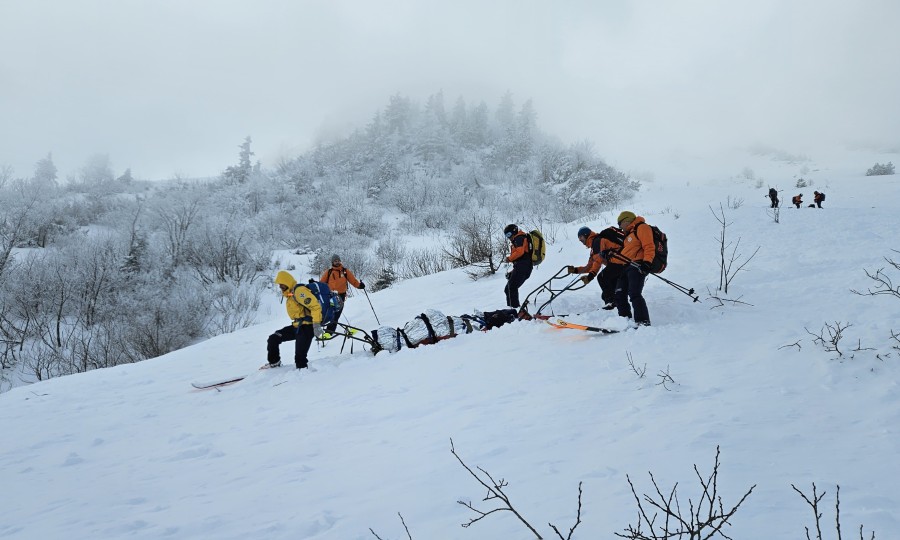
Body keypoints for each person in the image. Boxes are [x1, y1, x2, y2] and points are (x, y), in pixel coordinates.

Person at [265, 270, 327, 370]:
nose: (280, 286)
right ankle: (274, 363)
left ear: (287, 282)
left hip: (307, 327)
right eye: (279, 284)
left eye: (281, 284)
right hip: (297, 326)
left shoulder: (299, 291)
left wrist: (316, 325)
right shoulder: (290, 294)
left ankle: (304, 375)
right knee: (273, 338)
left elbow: (315, 306)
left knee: (300, 359)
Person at [566, 225, 625, 310]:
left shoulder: (597, 242)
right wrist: (575, 270)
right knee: (605, 294)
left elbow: (598, 260)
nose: (580, 240)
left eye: (581, 237)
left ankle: (611, 303)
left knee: (602, 278)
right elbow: (589, 266)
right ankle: (616, 306)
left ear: (586, 235)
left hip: (621, 262)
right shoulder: (594, 248)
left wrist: (590, 276)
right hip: (616, 265)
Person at [614, 211, 655, 327]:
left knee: (634, 293)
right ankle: (624, 320)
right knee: (619, 293)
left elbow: (649, 246)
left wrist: (647, 263)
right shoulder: (629, 235)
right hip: (626, 267)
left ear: (626, 221)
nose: (620, 227)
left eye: (620, 224)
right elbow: (625, 254)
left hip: (638, 265)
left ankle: (643, 321)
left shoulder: (641, 227)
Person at [320, 254, 364, 333]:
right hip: (331, 295)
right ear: (332, 262)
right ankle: (326, 330)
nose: (337, 262)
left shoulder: (345, 271)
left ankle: (329, 332)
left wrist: (359, 285)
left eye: (338, 261)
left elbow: (352, 280)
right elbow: (321, 283)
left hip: (341, 295)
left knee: (336, 314)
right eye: (335, 261)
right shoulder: (329, 272)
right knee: (330, 313)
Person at [503, 224, 533, 308]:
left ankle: (514, 309)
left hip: (523, 266)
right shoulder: (518, 239)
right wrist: (513, 272)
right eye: (506, 235)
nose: (508, 237)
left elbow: (520, 252)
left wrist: (509, 258)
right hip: (522, 266)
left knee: (511, 288)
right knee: (508, 288)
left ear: (514, 231)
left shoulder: (519, 238)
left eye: (509, 234)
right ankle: (512, 309)